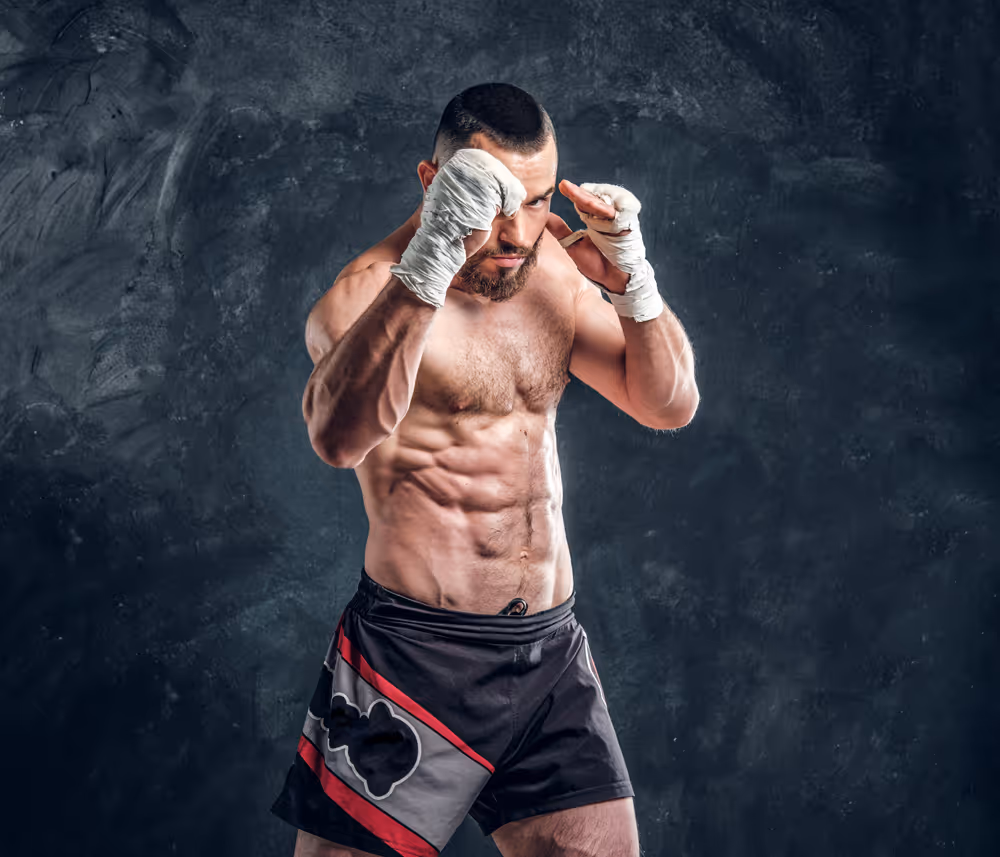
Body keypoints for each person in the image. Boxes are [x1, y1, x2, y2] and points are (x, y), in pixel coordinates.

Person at [271, 82, 699, 857]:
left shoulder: (553, 276)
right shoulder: (365, 294)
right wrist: (433, 259)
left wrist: (635, 281)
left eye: (535, 201)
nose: (515, 229)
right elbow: (336, 438)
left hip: (547, 652)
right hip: (414, 655)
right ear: (435, 184)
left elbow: (666, 403)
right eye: (492, 200)